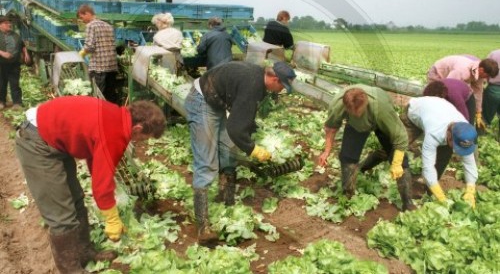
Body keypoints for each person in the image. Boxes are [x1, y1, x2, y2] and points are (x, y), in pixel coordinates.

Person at [15, 96, 166, 273]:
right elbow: (101, 185)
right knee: (61, 215)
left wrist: (106, 189)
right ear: (138, 128)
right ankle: (70, 269)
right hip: (38, 143)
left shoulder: (117, 116)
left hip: (54, 138)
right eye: (145, 138)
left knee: (76, 200)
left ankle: (84, 251)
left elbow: (97, 160)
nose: (142, 142)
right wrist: (112, 218)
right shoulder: (116, 132)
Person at [184, 61, 296, 245]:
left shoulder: (258, 81)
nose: (281, 90)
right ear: (274, 79)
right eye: (282, 86)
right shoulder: (253, 84)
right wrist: (253, 149)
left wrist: (248, 131)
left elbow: (243, 115)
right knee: (206, 161)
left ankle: (227, 201)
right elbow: (236, 129)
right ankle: (203, 226)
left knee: (228, 150)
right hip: (202, 99)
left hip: (217, 100)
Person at [317, 84, 415, 211]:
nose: (357, 114)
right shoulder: (338, 105)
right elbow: (331, 128)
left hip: (379, 120)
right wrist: (326, 151)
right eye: (353, 112)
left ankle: (408, 203)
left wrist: (396, 163)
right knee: (347, 157)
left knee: (401, 161)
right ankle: (348, 196)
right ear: (346, 107)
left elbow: (401, 138)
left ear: (365, 103)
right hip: (355, 126)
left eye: (359, 111)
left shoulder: (382, 109)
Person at [400, 96, 478, 207]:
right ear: (449, 136)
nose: (457, 151)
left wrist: (471, 189)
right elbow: (428, 167)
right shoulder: (434, 133)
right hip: (414, 114)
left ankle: (429, 190)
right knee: (395, 146)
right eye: (456, 146)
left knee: (443, 158)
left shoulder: (464, 132)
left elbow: (469, 163)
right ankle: (366, 167)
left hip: (438, 111)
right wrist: (441, 197)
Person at [427, 55, 499, 130]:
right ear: (481, 70)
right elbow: (449, 87)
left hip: (453, 77)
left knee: (466, 96)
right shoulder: (462, 70)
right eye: (487, 75)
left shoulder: (479, 75)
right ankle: (437, 125)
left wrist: (478, 112)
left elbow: (478, 93)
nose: (487, 78)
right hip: (437, 73)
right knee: (438, 99)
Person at [77, 4, 119, 103]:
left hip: (99, 68)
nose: (82, 20)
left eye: (82, 17)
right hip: (112, 67)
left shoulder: (90, 26)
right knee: (110, 96)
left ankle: (100, 117)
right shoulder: (108, 25)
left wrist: (82, 53)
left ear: (87, 13)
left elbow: (89, 46)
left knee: (99, 96)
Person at [0, 16, 30, 110]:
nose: (9, 24)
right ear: (0, 25)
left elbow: (22, 45)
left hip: (14, 63)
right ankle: (2, 102)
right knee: (1, 83)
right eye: (6, 23)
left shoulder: (15, 35)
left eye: (9, 23)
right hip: (1, 64)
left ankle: (17, 103)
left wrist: (26, 54)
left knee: (15, 83)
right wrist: (2, 53)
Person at [482, 49, 500, 125]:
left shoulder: (494, 53)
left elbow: (484, 68)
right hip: (493, 89)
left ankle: (481, 134)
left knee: (485, 118)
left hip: (493, 89)